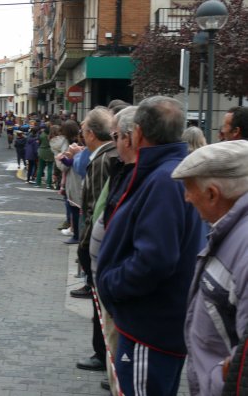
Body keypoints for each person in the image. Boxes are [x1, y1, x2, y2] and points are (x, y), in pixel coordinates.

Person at [96, 96, 203, 395]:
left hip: (149, 328)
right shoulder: (164, 172)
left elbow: (155, 259)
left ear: (138, 133)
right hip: (153, 325)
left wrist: (111, 285)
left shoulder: (163, 179)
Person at [169, 140, 248, 395]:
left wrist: (218, 378)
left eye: (190, 189)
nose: (186, 197)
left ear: (213, 193)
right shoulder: (230, 231)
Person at [89, 105, 138, 394]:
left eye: (116, 135)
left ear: (131, 137)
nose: (114, 141)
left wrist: (111, 282)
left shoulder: (147, 177)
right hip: (111, 280)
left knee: (123, 354)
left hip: (119, 288)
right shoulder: (124, 167)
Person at [72, 107, 119, 374]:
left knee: (99, 305)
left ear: (90, 133)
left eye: (83, 131)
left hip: (99, 244)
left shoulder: (102, 160)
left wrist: (86, 246)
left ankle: (102, 355)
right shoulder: (106, 155)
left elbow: (97, 209)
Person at [35, 124, 54, 188]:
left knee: (40, 167)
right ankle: (49, 184)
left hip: (42, 151)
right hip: (49, 152)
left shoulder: (41, 135)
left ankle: (38, 183)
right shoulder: (51, 136)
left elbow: (38, 142)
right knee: (50, 168)